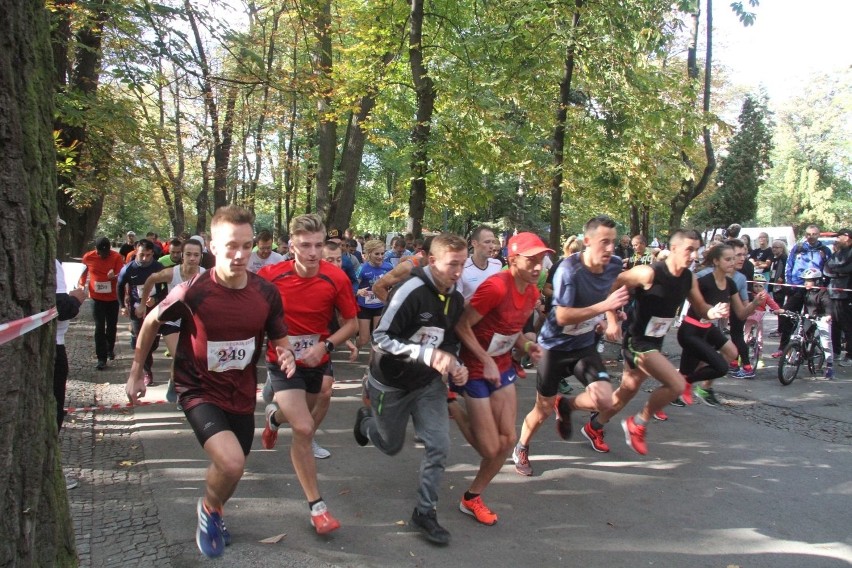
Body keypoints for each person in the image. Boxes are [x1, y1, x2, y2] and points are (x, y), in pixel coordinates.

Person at [125, 205, 297, 558]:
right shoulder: (193, 291)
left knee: (232, 468)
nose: (240, 255)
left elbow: (280, 338)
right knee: (232, 462)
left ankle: (213, 509)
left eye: (247, 246)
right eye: (232, 245)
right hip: (197, 389)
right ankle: (208, 508)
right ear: (213, 248)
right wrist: (135, 372)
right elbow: (151, 322)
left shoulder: (266, 293)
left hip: (241, 392)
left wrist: (287, 353)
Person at [353, 232, 469, 545]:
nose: (458, 272)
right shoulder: (411, 290)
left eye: (463, 264)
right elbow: (381, 337)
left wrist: (455, 364)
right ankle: (366, 422)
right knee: (390, 445)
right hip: (390, 382)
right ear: (433, 261)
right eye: (452, 265)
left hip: (426, 383)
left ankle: (425, 512)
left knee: (439, 444)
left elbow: (447, 340)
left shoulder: (455, 298)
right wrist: (426, 354)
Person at [258, 213, 358, 529]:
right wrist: (276, 344)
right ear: (291, 246)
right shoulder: (270, 276)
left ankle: (274, 418)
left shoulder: (335, 278)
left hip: (317, 359)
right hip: (282, 360)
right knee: (303, 428)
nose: (313, 253)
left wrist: (326, 346)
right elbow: (254, 316)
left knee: (302, 416)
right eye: (305, 245)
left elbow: (352, 323)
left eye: (318, 245)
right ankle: (318, 508)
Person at [597, 230, 729, 455]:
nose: (694, 255)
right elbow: (612, 285)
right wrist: (612, 321)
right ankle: (637, 423)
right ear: (674, 248)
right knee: (677, 384)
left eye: (697, 250)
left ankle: (586, 418)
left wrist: (713, 312)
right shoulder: (648, 273)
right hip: (637, 341)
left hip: (656, 342)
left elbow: (700, 306)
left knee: (625, 392)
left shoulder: (689, 278)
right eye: (689, 249)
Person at [513, 217, 629, 472]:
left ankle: (567, 405)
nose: (610, 248)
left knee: (606, 401)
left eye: (613, 242)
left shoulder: (614, 265)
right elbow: (562, 315)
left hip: (583, 345)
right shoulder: (569, 270)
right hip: (553, 347)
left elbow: (611, 291)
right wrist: (602, 309)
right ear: (587, 242)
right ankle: (522, 446)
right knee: (542, 410)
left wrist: (611, 319)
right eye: (604, 242)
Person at [454, 232, 549, 522]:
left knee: (507, 441)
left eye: (541, 260)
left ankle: (472, 497)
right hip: (476, 367)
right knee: (488, 447)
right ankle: (451, 406)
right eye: (530, 260)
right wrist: (484, 358)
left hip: (503, 366)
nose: (537, 266)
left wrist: (528, 346)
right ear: (512, 259)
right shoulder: (495, 287)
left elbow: (511, 330)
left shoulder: (532, 291)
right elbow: (461, 325)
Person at [676, 245, 765, 411]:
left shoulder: (731, 283)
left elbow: (740, 314)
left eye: (735, 258)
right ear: (716, 261)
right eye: (728, 259)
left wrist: (755, 304)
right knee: (712, 367)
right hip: (691, 330)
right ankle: (680, 384)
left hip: (707, 328)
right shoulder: (703, 281)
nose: (733, 262)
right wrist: (711, 311)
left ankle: (701, 388)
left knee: (732, 353)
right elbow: (694, 304)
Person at [137, 238, 205, 405]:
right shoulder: (171, 273)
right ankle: (184, 397)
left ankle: (173, 382)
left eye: (196, 255)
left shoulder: (206, 275)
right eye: (188, 254)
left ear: (201, 257)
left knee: (192, 360)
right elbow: (150, 280)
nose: (192, 258)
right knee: (181, 358)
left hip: (193, 323)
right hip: (172, 321)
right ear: (182, 255)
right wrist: (142, 304)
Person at [117, 239, 166, 386]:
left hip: (154, 306)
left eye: (148, 255)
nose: (144, 258)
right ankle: (147, 372)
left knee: (153, 342)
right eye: (141, 255)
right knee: (143, 341)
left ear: (152, 254)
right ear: (136, 252)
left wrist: (156, 297)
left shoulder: (158, 267)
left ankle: (140, 343)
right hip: (137, 306)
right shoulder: (128, 269)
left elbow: (166, 289)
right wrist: (122, 306)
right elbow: (119, 287)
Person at [777, 226, 830, 356]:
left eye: (814, 234)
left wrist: (824, 287)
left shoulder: (824, 250)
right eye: (808, 234)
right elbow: (789, 265)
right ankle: (783, 347)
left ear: (818, 235)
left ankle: (807, 349)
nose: (811, 236)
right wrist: (790, 285)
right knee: (787, 315)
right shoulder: (798, 248)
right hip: (797, 287)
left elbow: (829, 268)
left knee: (811, 319)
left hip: (815, 290)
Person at [79, 236, 124, 370]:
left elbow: (122, 274)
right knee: (99, 328)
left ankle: (110, 348)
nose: (103, 255)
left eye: (105, 253)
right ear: (96, 250)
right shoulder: (88, 257)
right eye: (100, 253)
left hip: (112, 298)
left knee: (111, 326)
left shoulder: (116, 257)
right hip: (96, 298)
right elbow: (83, 271)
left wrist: (114, 276)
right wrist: (81, 284)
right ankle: (101, 358)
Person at [354, 239, 394, 351]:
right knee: (364, 339)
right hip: (364, 306)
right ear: (369, 253)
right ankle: (355, 346)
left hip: (380, 305)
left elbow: (394, 284)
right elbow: (353, 286)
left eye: (382, 253)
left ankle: (372, 365)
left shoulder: (388, 267)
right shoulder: (362, 268)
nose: (380, 256)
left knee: (377, 338)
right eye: (377, 253)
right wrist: (358, 291)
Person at [796, 268, 835, 379]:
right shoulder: (804, 290)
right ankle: (793, 354)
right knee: (796, 333)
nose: (805, 283)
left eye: (808, 280)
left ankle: (829, 365)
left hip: (822, 317)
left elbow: (827, 303)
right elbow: (795, 300)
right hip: (809, 316)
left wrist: (828, 314)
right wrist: (783, 309)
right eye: (805, 280)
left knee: (826, 341)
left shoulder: (823, 291)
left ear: (817, 281)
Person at [823, 228, 852, 367]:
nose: (836, 240)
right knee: (834, 324)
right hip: (833, 292)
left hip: (846, 295)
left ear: (846, 237)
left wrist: (837, 271)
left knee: (847, 325)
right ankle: (836, 351)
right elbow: (827, 268)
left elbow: (847, 269)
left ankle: (850, 355)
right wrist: (837, 272)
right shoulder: (837, 252)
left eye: (838, 237)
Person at [459, 226, 502, 301]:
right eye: (487, 242)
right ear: (474, 243)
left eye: (493, 242)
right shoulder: (462, 268)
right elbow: (457, 303)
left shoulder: (497, 265)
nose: (492, 246)